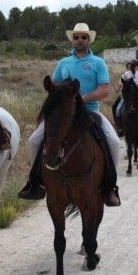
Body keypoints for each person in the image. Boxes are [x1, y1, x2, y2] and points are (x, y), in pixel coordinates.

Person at [18, 23, 121, 206]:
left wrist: (82, 98)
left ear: (88, 40)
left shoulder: (98, 63)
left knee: (113, 142)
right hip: (65, 113)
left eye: (83, 37)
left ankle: (109, 186)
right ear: (73, 40)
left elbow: (104, 91)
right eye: (76, 37)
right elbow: (55, 87)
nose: (80, 40)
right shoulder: (63, 63)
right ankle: (37, 182)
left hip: (90, 112)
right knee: (34, 141)